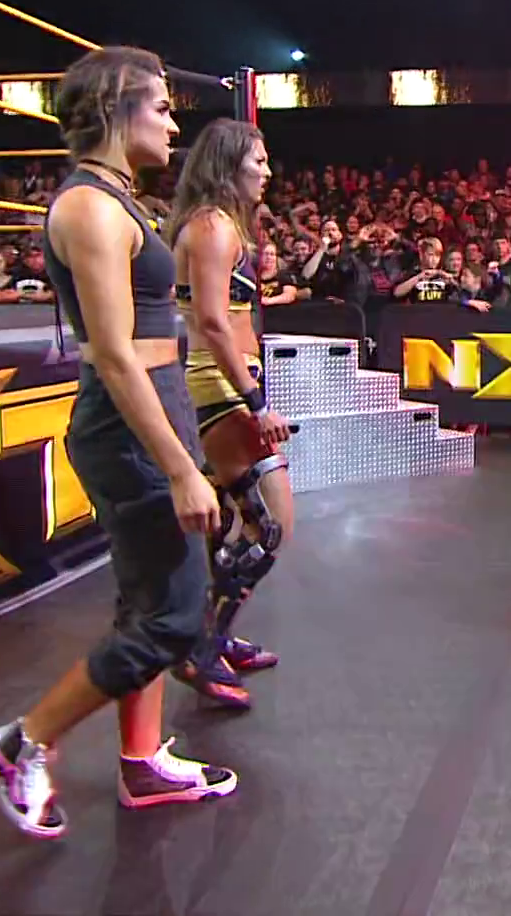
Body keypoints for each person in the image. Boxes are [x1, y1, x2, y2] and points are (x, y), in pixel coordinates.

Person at [0, 47, 234, 840]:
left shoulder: (119, 201)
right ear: (118, 109)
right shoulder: (89, 207)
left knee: (149, 602)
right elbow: (115, 356)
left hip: (156, 408)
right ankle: (19, 745)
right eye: (162, 108)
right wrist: (181, 468)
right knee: (175, 620)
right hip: (130, 422)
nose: (174, 124)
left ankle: (142, 762)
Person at [165, 118, 295, 710]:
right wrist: (255, 400)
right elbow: (214, 323)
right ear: (228, 164)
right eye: (258, 161)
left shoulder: (217, 225)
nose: (267, 172)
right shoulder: (214, 228)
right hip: (222, 386)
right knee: (271, 523)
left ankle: (211, 636)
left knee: (240, 525)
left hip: (226, 382)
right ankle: (202, 645)